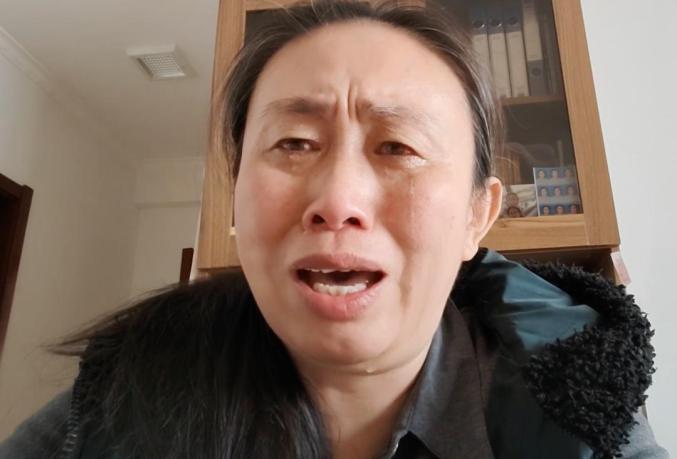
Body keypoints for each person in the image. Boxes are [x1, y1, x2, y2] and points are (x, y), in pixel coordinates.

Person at [0, 1, 667, 458]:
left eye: (398, 146)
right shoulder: (129, 387)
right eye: (293, 142)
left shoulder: (578, 422)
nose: (337, 199)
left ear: (477, 216)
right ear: (235, 194)